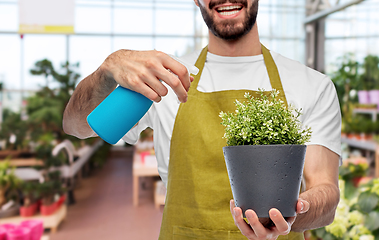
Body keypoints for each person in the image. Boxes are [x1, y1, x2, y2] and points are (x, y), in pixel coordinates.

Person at [63, 0, 341, 239]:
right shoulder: (163, 79)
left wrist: (291, 214)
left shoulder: (311, 85)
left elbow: (325, 195)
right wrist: (108, 69)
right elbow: (78, 126)